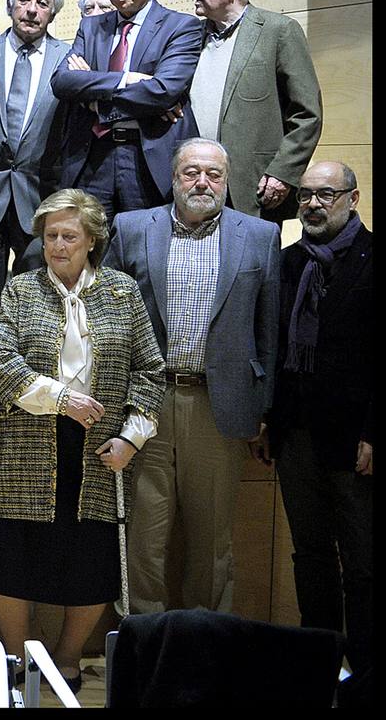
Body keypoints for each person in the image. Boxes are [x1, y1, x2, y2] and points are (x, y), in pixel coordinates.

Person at [0, 188, 165, 690]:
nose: (57, 245)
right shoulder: (21, 289)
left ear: (91, 241)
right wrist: (61, 399)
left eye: (69, 235)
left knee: (89, 557)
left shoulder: (123, 292)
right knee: (10, 553)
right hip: (23, 439)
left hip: (100, 448)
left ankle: (66, 657)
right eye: (50, 235)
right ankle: (17, 656)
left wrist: (132, 437)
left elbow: (149, 370)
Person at [104, 138, 280, 615]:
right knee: (143, 537)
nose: (203, 182)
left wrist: (262, 410)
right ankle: (145, 648)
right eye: (191, 172)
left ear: (226, 180)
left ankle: (206, 655)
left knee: (212, 545)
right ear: (174, 178)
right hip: (146, 405)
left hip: (219, 407)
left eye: (214, 174)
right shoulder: (132, 228)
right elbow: (106, 320)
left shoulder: (260, 236)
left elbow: (269, 332)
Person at [269, 161, 372, 676]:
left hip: (355, 440)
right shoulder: (287, 263)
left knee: (363, 562)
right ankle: (322, 662)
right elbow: (271, 349)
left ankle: (367, 669)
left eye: (325, 194)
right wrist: (270, 421)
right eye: (305, 195)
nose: (312, 204)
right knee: (309, 555)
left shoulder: (373, 259)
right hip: (296, 435)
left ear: (352, 199)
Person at [50, 0, 203, 216]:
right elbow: (62, 81)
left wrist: (95, 101)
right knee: (92, 249)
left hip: (145, 158)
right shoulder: (91, 26)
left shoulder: (181, 26)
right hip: (92, 158)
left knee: (143, 249)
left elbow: (162, 91)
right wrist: (125, 79)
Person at [186, 0, 323, 220]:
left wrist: (282, 173)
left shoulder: (279, 32)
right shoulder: (188, 36)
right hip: (193, 187)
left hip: (254, 189)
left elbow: (307, 114)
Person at [0, 0, 71, 290]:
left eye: (42, 3)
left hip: (39, 196)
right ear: (10, 4)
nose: (32, 10)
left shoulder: (70, 58)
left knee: (36, 294)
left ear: (52, 12)